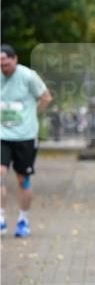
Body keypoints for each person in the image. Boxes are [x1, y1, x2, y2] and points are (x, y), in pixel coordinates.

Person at [0, 44, 52, 238]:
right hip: (2, 135)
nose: (4, 68)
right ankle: (1, 218)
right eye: (1, 65)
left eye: (7, 64)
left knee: (23, 180)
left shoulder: (28, 76)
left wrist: (32, 113)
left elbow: (46, 97)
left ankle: (23, 220)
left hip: (25, 136)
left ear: (15, 60)